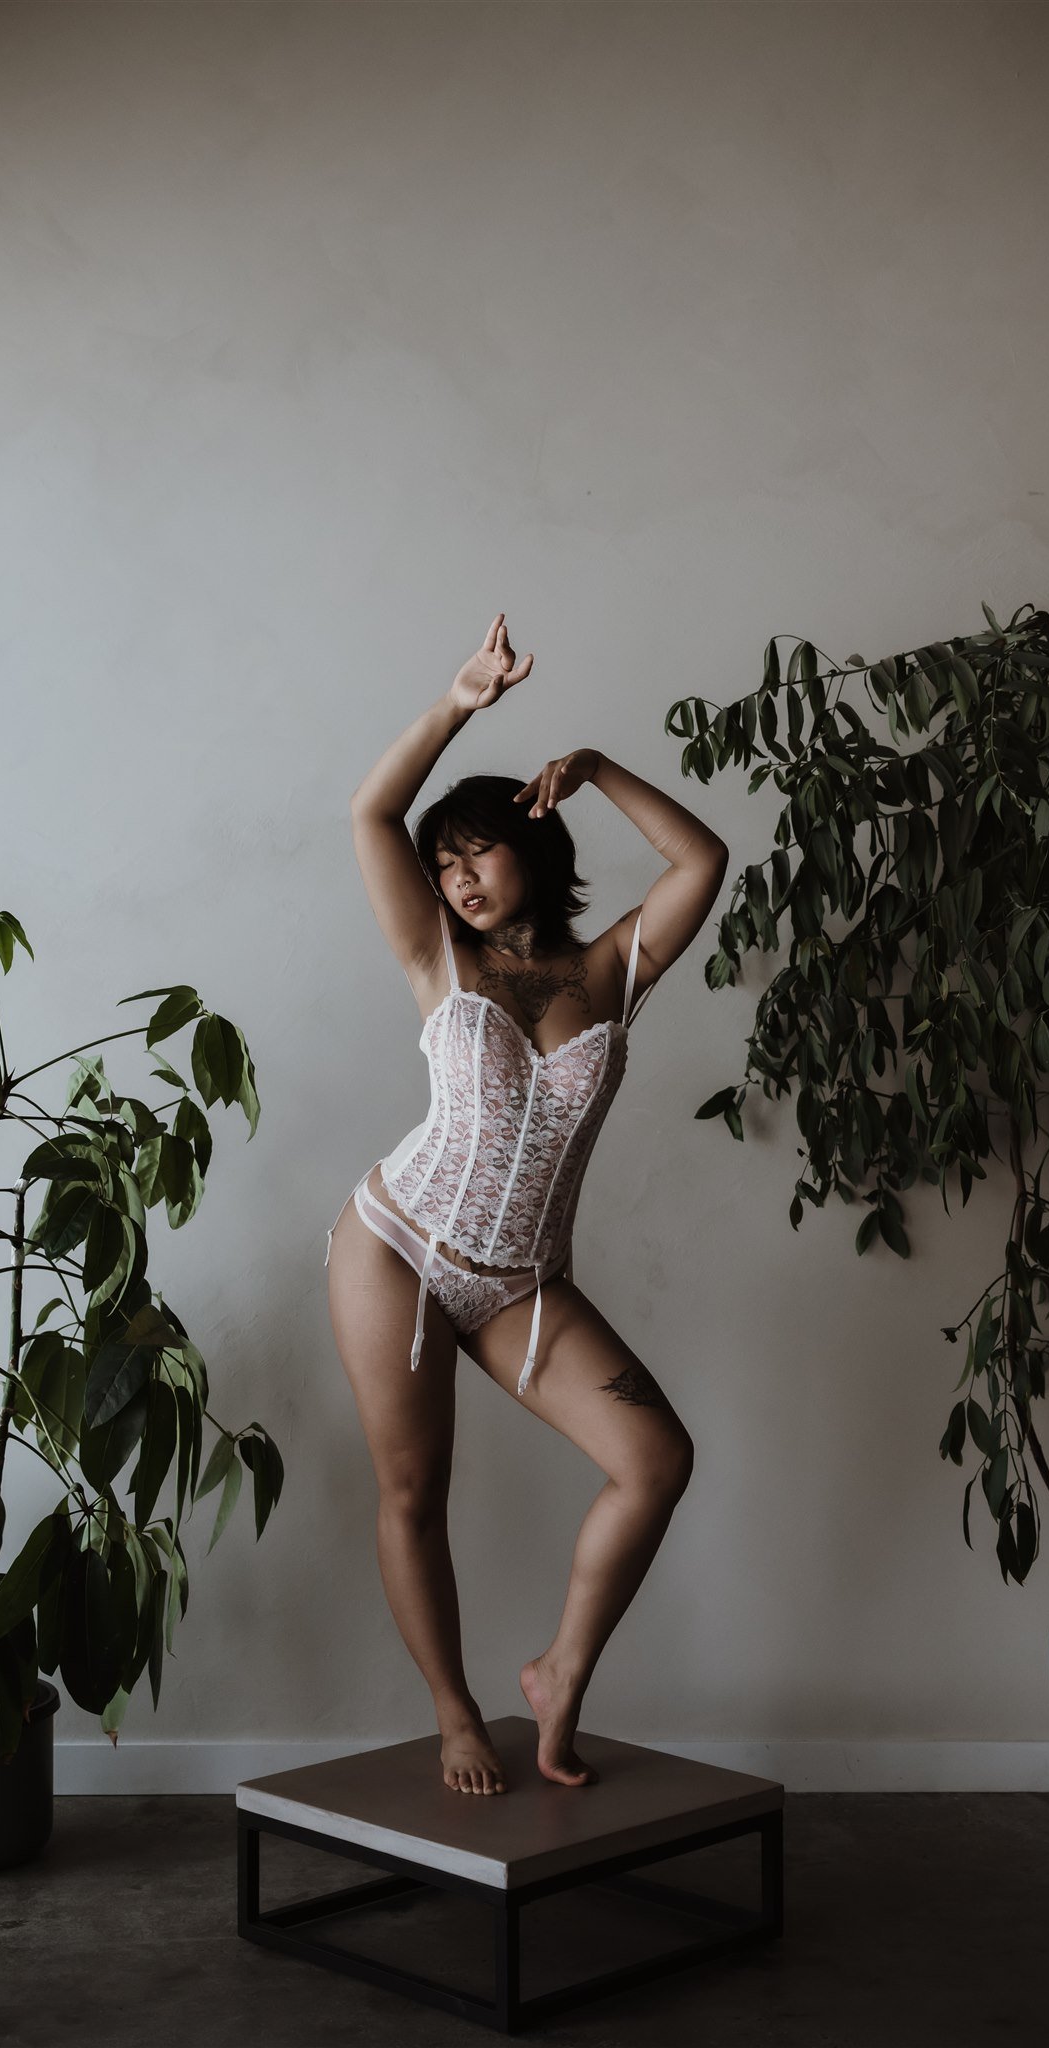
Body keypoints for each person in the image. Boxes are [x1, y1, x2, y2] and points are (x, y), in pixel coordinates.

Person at [325, 613, 729, 1797]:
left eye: (477, 852)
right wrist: (457, 703)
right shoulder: (435, 960)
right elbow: (367, 816)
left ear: (534, 843)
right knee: (414, 1486)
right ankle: (456, 1708)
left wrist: (596, 765)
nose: (455, 875)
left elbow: (703, 861)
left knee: (655, 1458)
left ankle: (559, 1668)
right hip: (398, 1242)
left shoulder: (610, 972)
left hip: (522, 1282)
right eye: (442, 860)